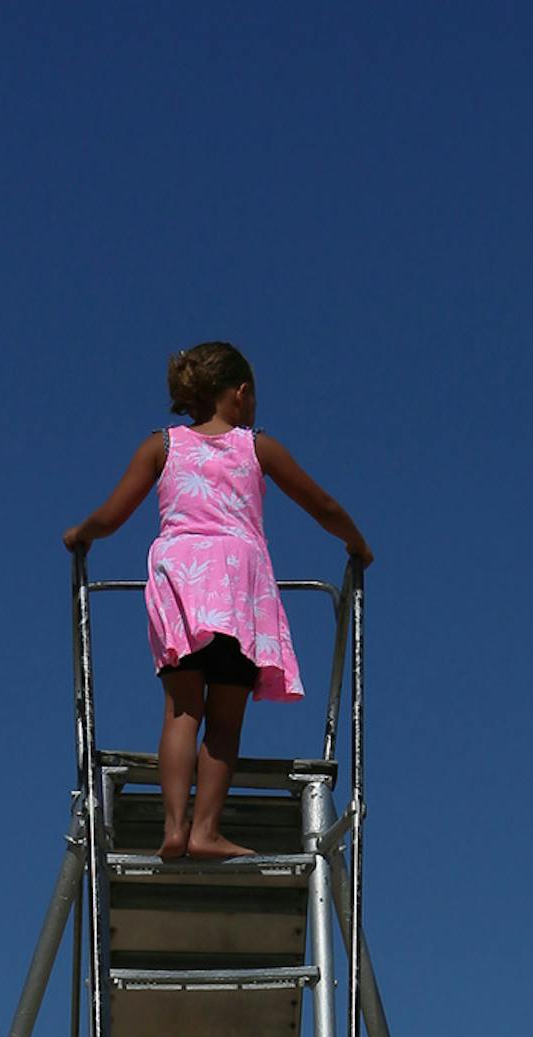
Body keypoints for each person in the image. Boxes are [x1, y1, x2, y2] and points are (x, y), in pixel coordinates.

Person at [62, 342, 373, 864]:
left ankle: (174, 826)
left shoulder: (161, 445)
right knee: (224, 720)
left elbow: (112, 516)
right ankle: (206, 829)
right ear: (241, 394)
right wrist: (356, 543)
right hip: (234, 585)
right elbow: (321, 503)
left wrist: (80, 534)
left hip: (181, 580)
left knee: (182, 709)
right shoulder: (257, 447)